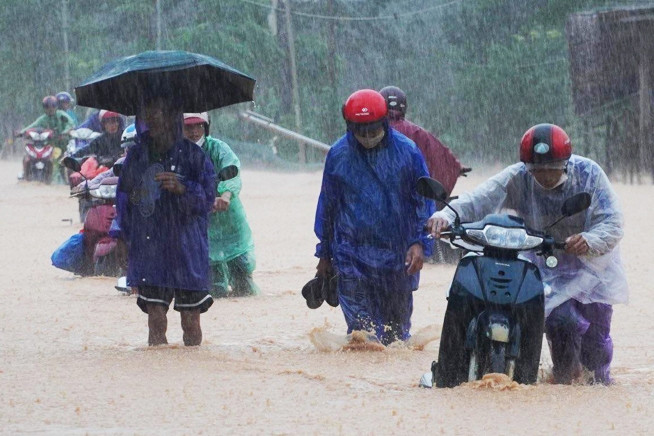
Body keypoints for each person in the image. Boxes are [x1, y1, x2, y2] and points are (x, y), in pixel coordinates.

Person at [428, 123, 628, 384]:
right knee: (560, 323)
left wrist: (589, 240)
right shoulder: (518, 177)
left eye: (552, 169)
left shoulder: (589, 175)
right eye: (537, 170)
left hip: (592, 267)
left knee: (595, 344)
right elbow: (480, 198)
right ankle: (565, 382)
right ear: (527, 167)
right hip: (547, 262)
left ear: (565, 163)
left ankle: (596, 386)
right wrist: (445, 215)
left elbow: (613, 221)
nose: (545, 176)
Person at [313, 89, 434, 346]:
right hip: (351, 257)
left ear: (384, 124)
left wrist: (419, 243)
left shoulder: (407, 153)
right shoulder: (338, 155)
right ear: (350, 126)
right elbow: (328, 206)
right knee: (362, 337)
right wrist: (324, 253)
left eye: (373, 130)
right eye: (361, 131)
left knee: (395, 338)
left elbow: (423, 202)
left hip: (397, 257)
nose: (368, 137)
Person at [116, 97, 216, 346]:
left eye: (158, 112)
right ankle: (157, 374)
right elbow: (124, 199)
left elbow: (207, 199)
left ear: (172, 117)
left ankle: (191, 377)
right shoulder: (137, 156)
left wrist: (183, 188)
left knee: (191, 321)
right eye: (147, 113)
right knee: (156, 320)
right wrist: (121, 236)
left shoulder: (194, 155)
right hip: (150, 245)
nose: (153, 119)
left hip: (187, 247)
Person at [183, 113, 259, 298]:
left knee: (242, 277)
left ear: (206, 127)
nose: (194, 132)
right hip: (201, 223)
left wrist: (225, 195)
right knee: (213, 287)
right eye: (189, 127)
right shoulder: (176, 153)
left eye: (198, 126)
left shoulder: (218, 148)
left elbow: (232, 172)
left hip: (229, 219)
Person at [379, 86, 464, 197]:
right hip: (409, 198)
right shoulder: (417, 132)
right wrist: (455, 167)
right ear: (404, 106)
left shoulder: (367, 130)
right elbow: (438, 155)